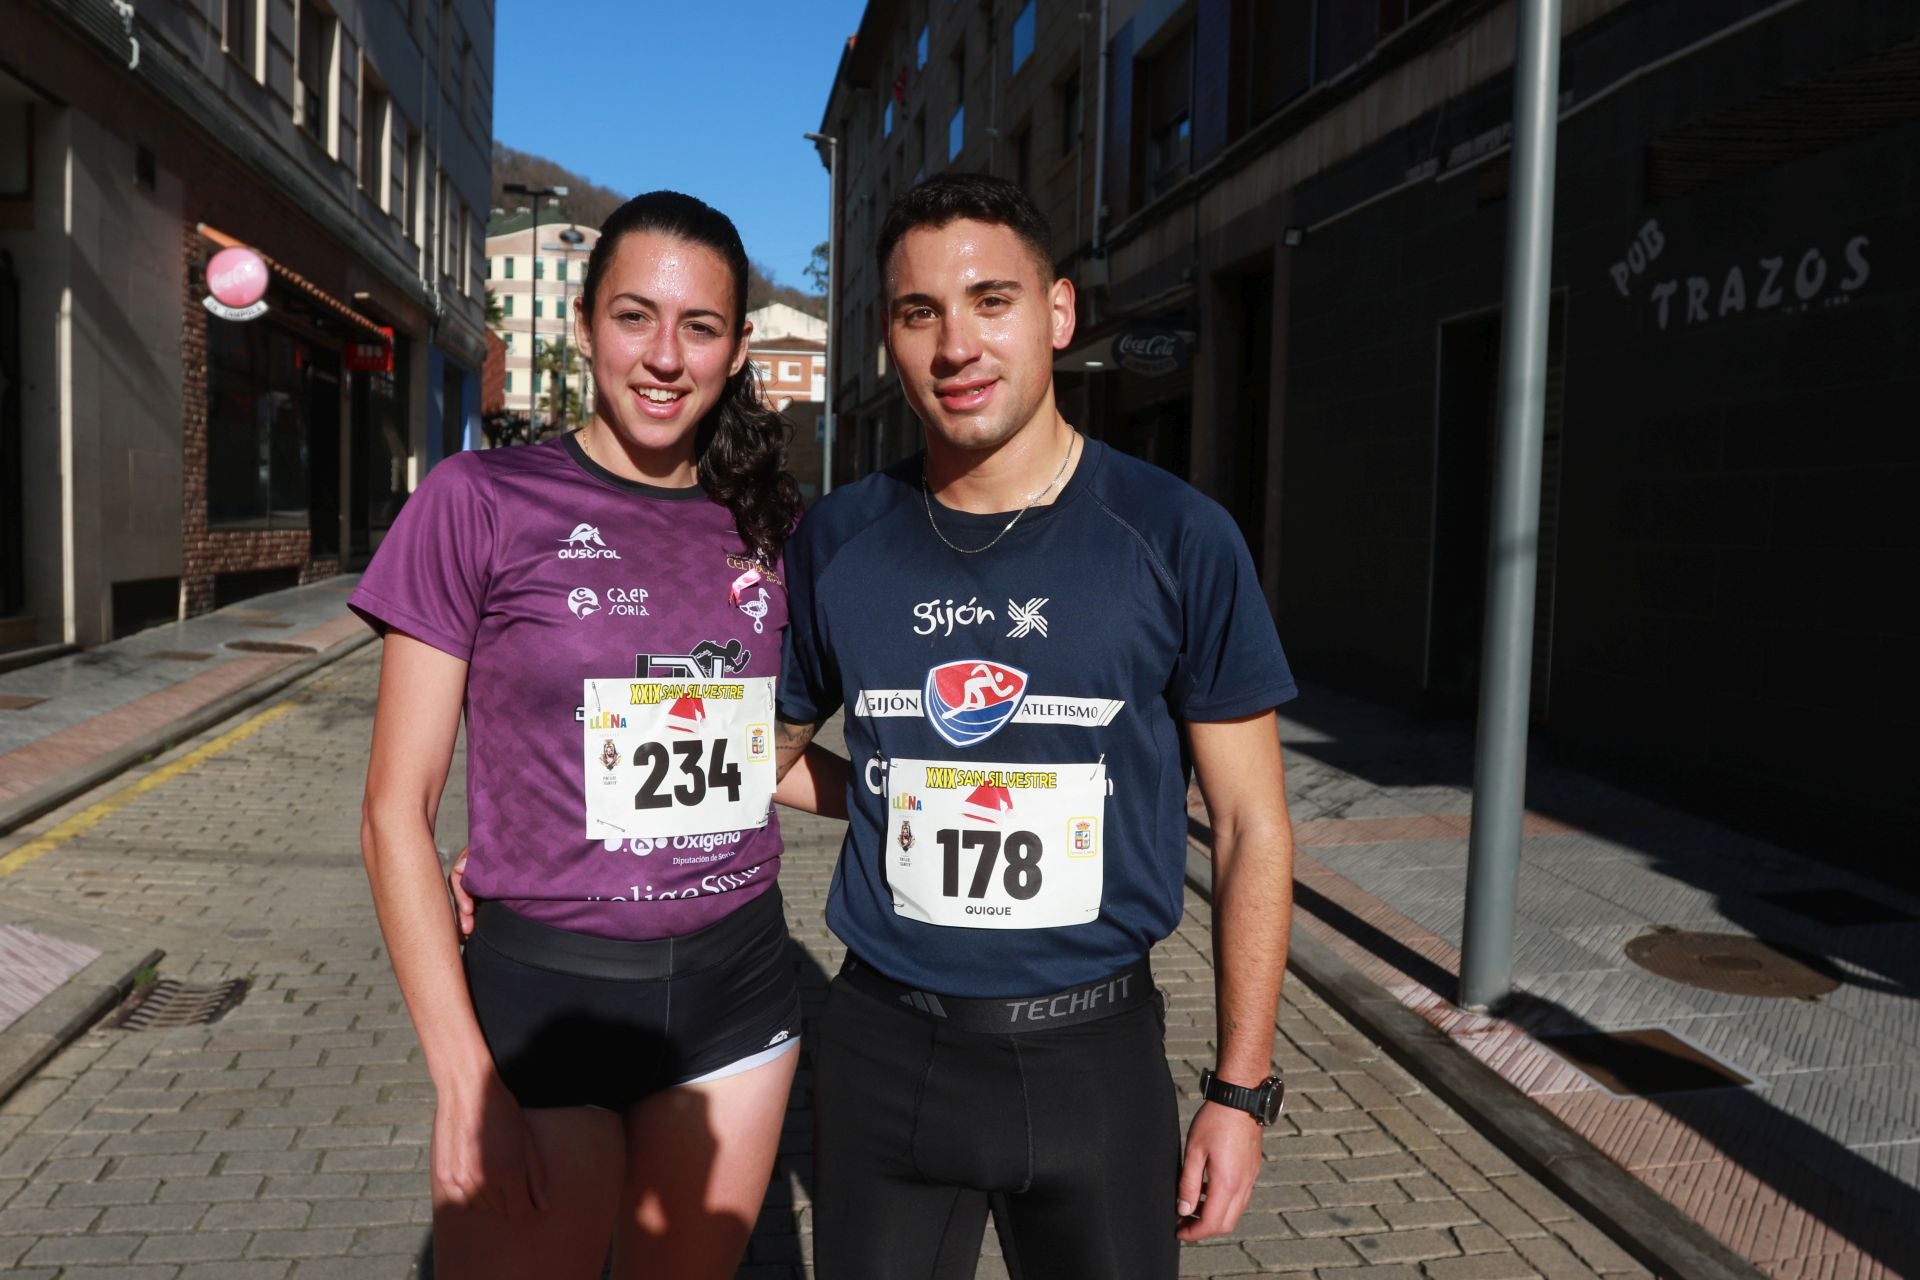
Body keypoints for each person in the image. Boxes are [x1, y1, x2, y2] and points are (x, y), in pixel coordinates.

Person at [774, 173, 1299, 1279]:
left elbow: (1252, 824)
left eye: (991, 300)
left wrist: (1241, 1089)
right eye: (922, 313)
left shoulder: (1177, 536)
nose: (956, 343)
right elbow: (753, 756)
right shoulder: (839, 540)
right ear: (888, 337)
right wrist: (543, 847)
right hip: (885, 1053)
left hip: (1094, 1060)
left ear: (1058, 313)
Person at [355, 190, 840, 1279]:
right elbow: (395, 810)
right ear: (582, 326)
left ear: (738, 347)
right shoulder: (479, 499)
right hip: (545, 1001)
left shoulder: (772, 525)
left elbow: (757, 752)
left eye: (700, 326)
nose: (664, 356)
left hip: (739, 995)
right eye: (634, 317)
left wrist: (909, 798)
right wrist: (461, 1073)